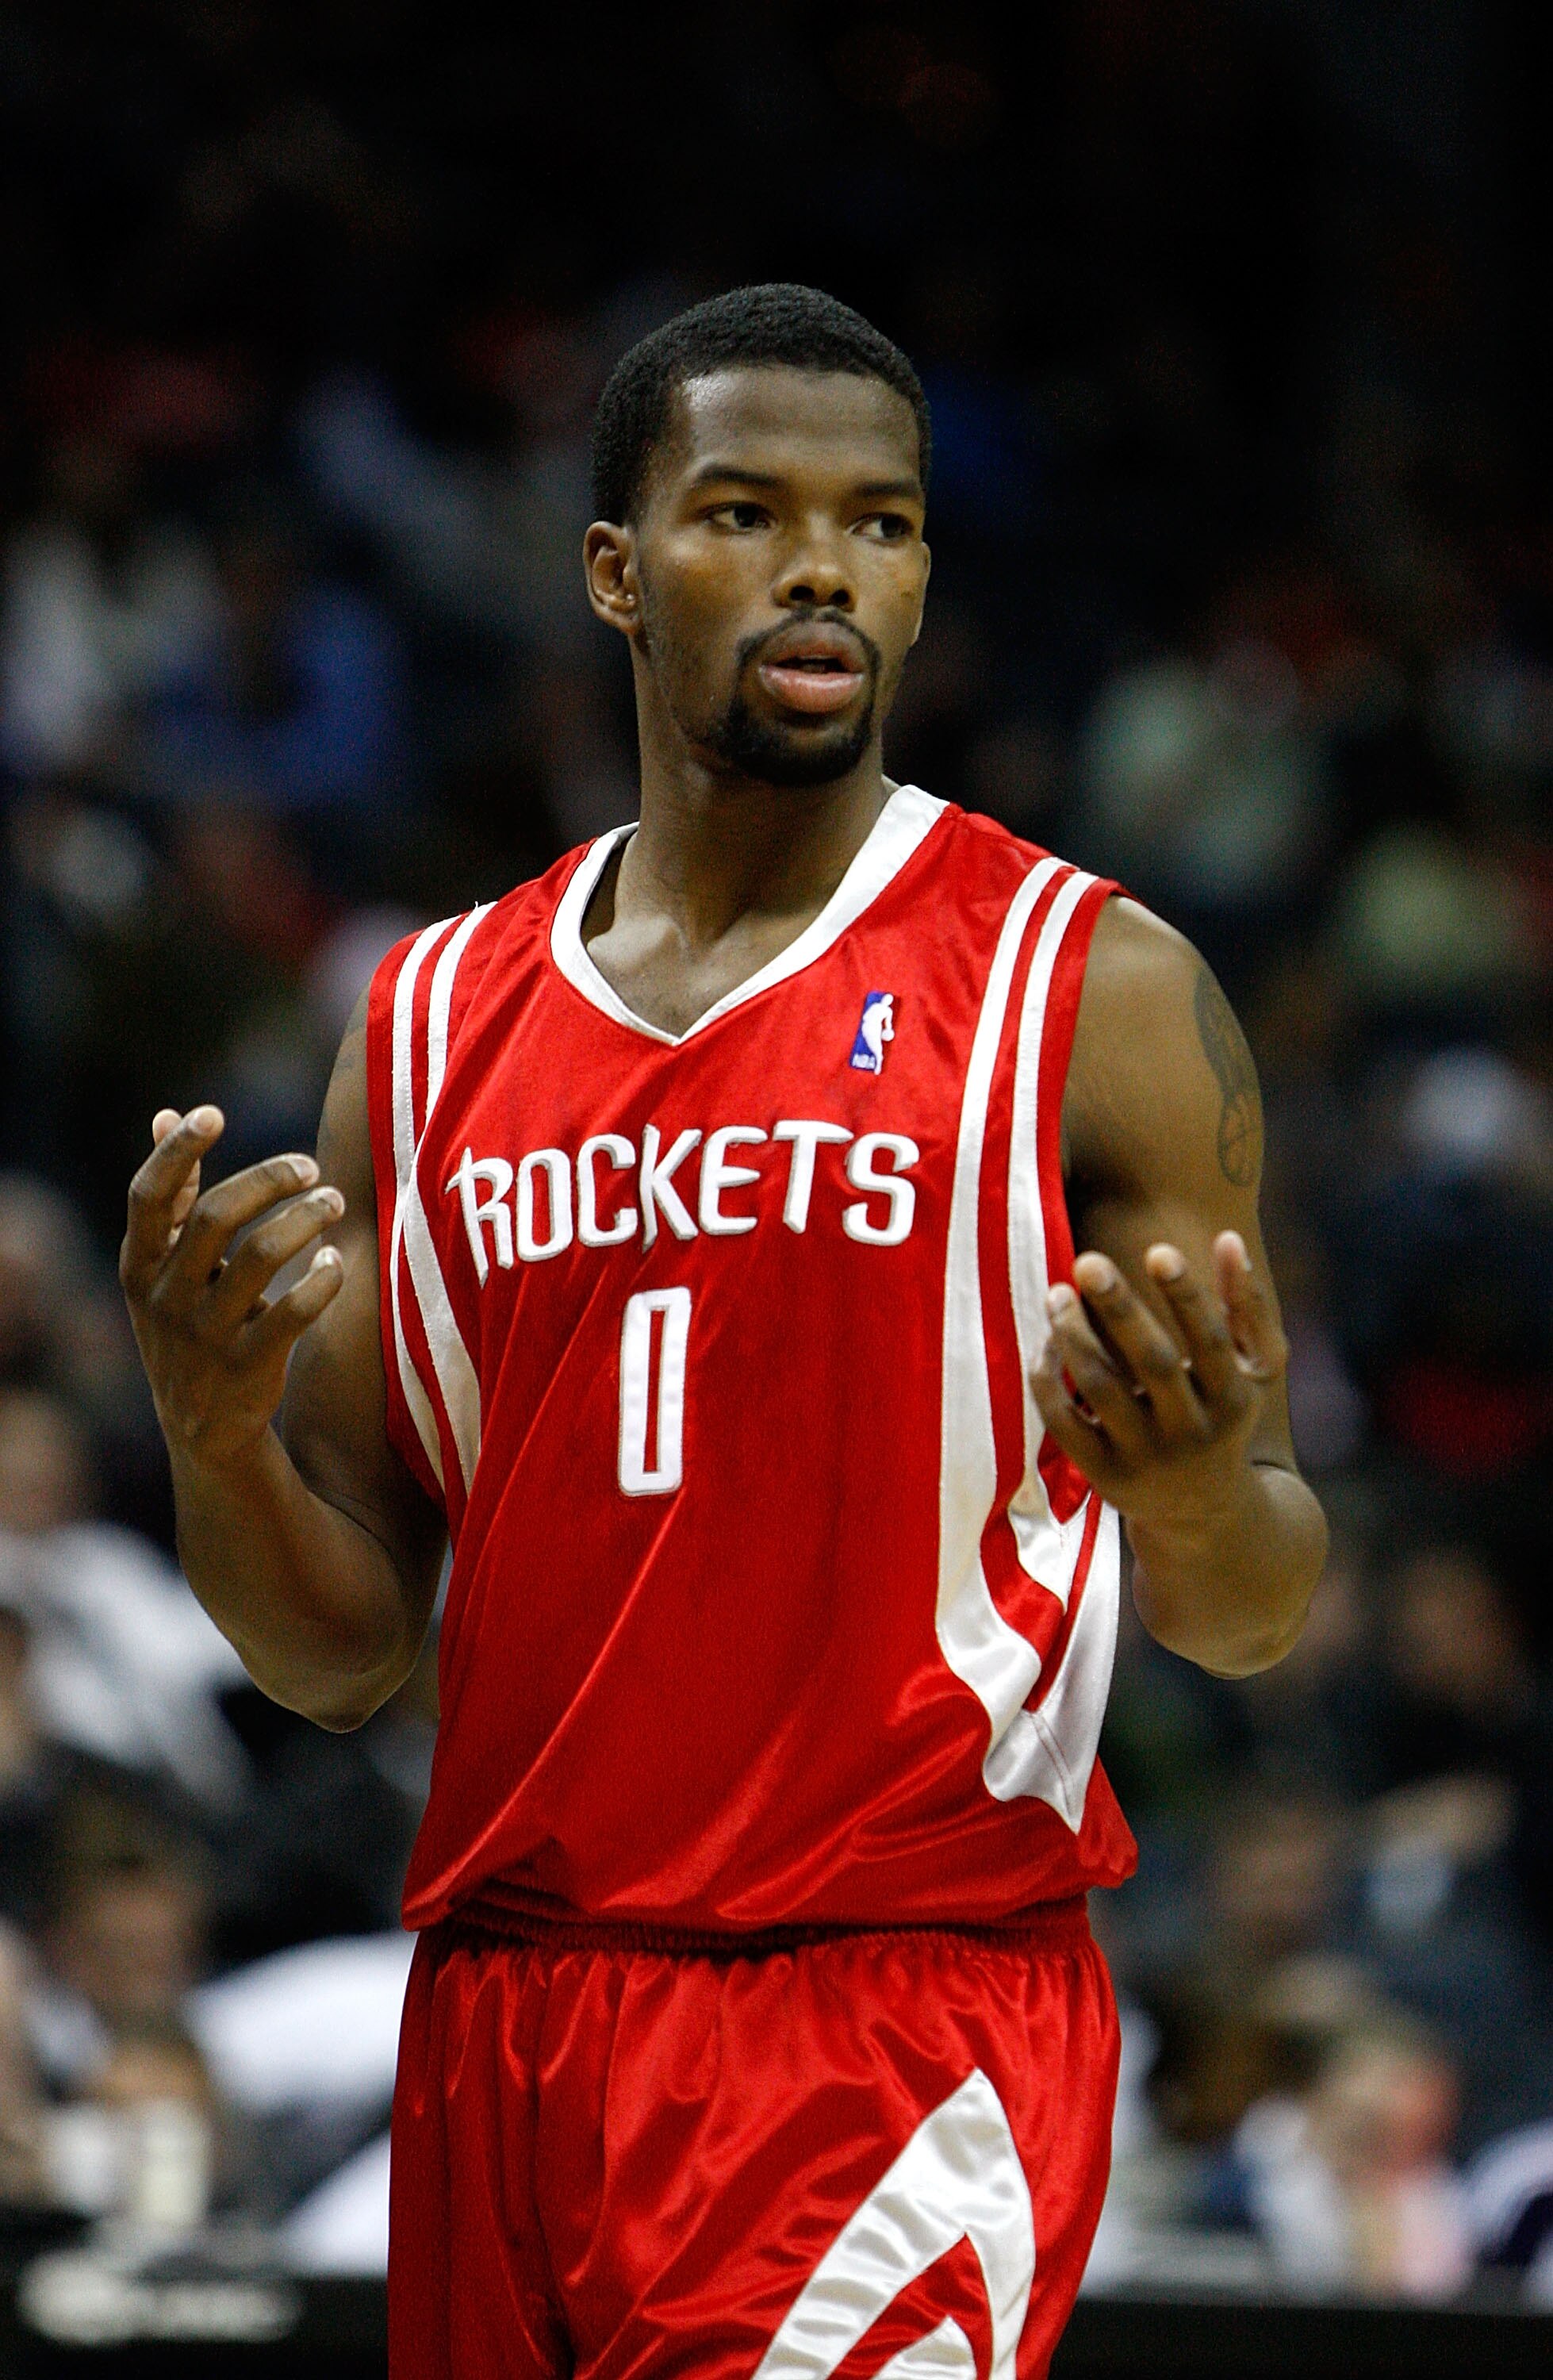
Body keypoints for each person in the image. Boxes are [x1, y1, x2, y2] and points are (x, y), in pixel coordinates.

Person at [118, 286, 1326, 2378]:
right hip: (509, 2022)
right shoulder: (424, 1030)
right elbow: (339, 1656)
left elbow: (1257, 1606)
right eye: (746, 512)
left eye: (880, 522)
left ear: (930, 568)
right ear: (614, 565)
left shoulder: (1091, 992)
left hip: (886, 2013)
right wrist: (214, 1438)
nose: (821, 569)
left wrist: (1198, 1486)